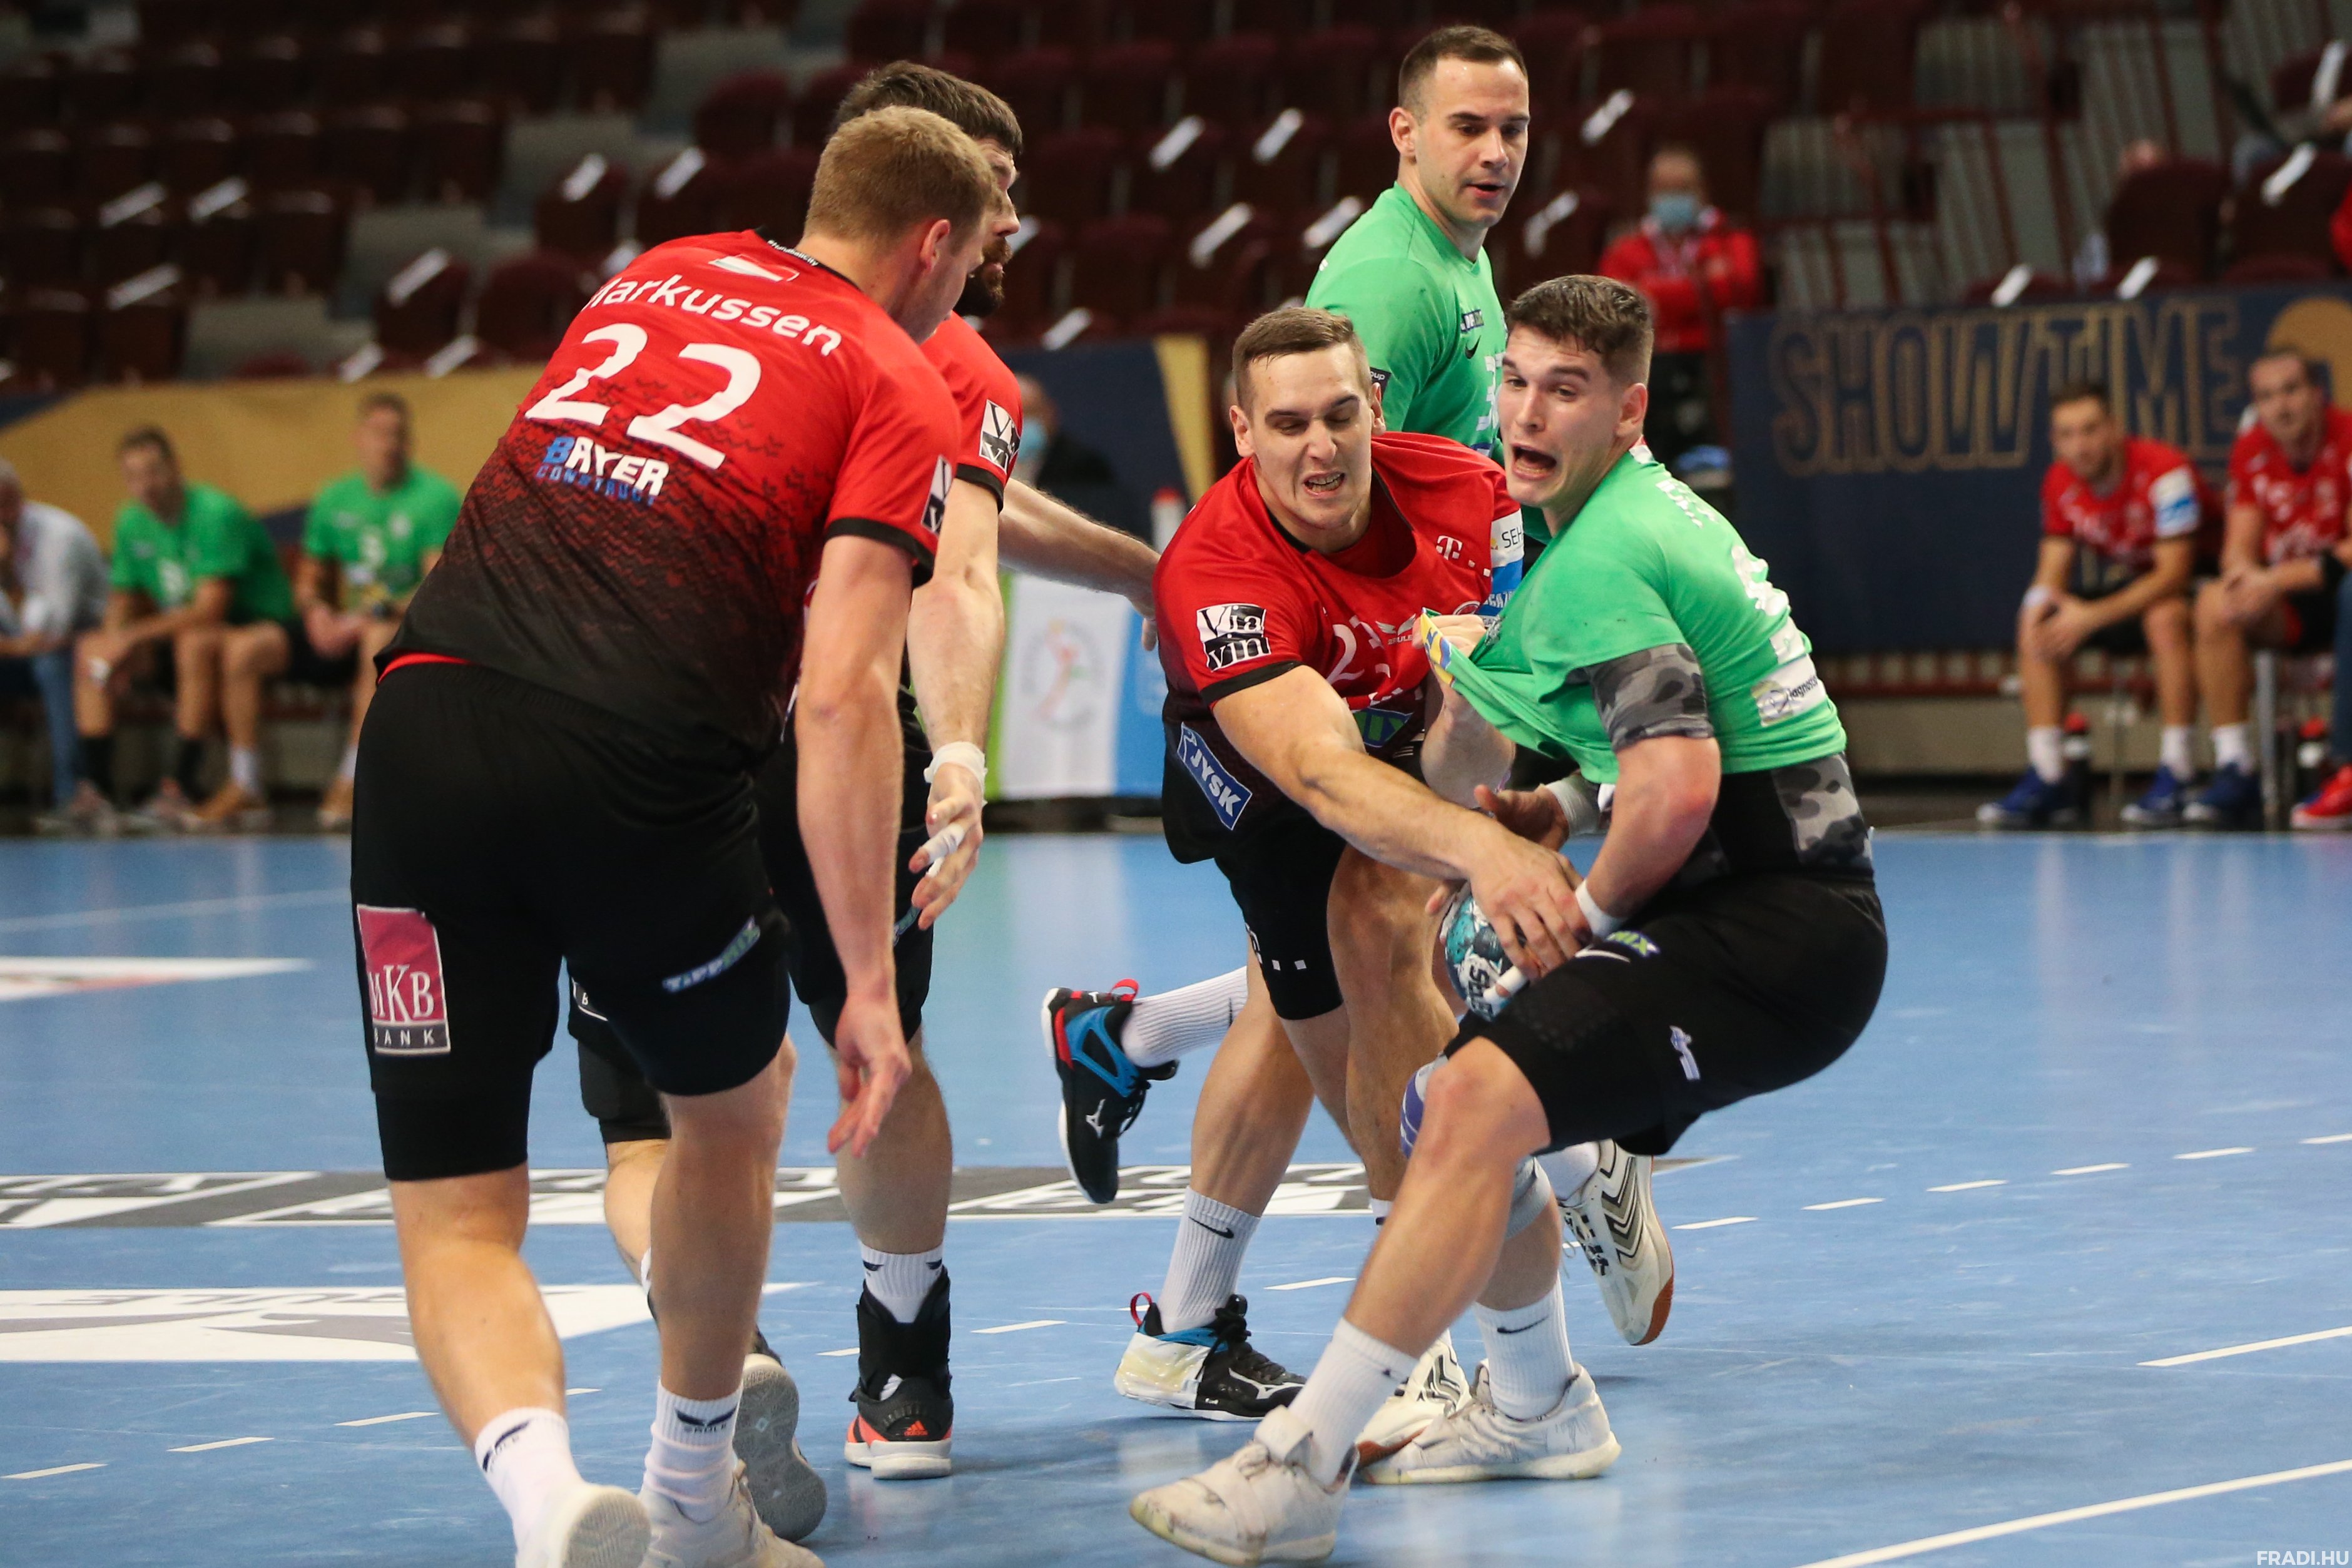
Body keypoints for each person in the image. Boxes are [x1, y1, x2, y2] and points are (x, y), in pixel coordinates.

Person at [1129, 275, 1885, 1567]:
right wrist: (1543, 817)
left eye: (1565, 391)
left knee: (1461, 1100)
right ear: (1242, 431)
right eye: (1517, 384)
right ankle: (1536, 1390)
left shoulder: (1574, 548)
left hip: (1771, 926)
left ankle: (1307, 1456)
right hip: (1292, 787)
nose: (1528, 414)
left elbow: (1676, 786)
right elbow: (1339, 772)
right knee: (1444, 1084)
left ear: (1627, 411)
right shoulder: (1615, 523)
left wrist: (1570, 913)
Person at [350, 106, 996, 1568]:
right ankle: (694, 1500)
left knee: (455, 1215)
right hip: (636, 758)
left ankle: (546, 1501)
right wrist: (869, 988)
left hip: (423, 723)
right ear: (931, 244)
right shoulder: (900, 375)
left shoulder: (655, 270)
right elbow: (843, 696)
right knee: (734, 1112)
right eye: (971, 263)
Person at [564, 61, 1163, 1504]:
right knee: (877, 1048)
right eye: (995, 193)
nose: (1011, 225)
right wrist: (957, 749)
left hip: (631, 734)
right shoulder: (945, 365)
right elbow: (956, 569)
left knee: (646, 1116)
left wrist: (1143, 573)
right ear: (922, 203)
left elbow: (976, 527)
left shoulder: (690, 291)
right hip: (828, 750)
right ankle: (905, 1366)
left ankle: (710, 1332)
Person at [1087, 307, 1634, 1461]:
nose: (1320, 447)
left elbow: (1483, 730)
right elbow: (1320, 776)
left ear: (1374, 406)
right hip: (1263, 778)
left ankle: (1435, 1347)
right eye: (1286, 424)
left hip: (1395, 735)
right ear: (1241, 432)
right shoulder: (1217, 569)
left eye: (1340, 415)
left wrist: (1493, 724)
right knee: (1348, 1038)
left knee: (1386, 939)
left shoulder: (1473, 497)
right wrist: (1481, 853)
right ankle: (1559, 1165)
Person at [1977, 381, 2210, 829]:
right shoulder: (2059, 480)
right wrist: (2034, 608)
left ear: (2115, 428)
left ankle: (2179, 771)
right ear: (2054, 440)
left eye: (2089, 430)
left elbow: (2174, 575)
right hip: (2134, 589)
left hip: (2197, 583)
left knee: (2163, 616)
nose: (2079, 445)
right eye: (2067, 434)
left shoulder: (2166, 471)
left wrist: (2090, 617)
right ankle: (2049, 773)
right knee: (2041, 617)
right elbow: (2051, 570)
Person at [66, 427, 293, 832]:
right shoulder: (130, 520)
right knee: (92, 647)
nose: (145, 486)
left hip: (251, 628)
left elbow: (210, 610)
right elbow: (122, 600)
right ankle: (96, 790)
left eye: (153, 472)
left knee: (194, 643)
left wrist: (131, 636)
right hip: (173, 637)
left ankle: (180, 786)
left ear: (175, 468)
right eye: (133, 476)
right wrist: (113, 646)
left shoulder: (215, 512)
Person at [2183, 349, 2352, 828]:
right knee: (2213, 602)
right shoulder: (2251, 449)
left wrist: (2272, 578)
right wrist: (2242, 579)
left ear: (2317, 394)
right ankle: (2235, 767)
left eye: (2291, 391)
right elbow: (2237, 546)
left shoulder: (2347, 437)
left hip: (2339, 589)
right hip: (2288, 600)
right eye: (2266, 396)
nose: (2280, 407)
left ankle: (2345, 768)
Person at [296, 392, 462, 830]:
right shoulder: (334, 497)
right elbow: (309, 578)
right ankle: (243, 783)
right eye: (379, 434)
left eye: (398, 435)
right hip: (343, 629)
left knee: (377, 638)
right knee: (242, 651)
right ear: (358, 437)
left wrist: (374, 611)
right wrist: (316, 612)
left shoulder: (435, 497)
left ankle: (353, 776)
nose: (389, 444)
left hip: (406, 628)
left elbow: (436, 587)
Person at [1597, 144, 1763, 482]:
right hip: (1651, 370)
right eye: (1664, 189)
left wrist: (1653, 293)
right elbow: (1615, 304)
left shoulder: (1731, 239)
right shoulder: (1626, 248)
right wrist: (1699, 289)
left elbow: (1739, 287)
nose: (1673, 198)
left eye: (1682, 189)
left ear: (1702, 191)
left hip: (1717, 367)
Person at [0, 462, 106, 823]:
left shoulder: (60, 537)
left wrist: (7, 574)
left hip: (81, 644)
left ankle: (72, 793)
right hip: (23, 648)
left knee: (53, 666)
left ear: (17, 500)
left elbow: (51, 633)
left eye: (5, 505)